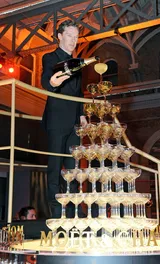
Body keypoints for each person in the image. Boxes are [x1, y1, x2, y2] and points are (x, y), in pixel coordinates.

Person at [41, 19, 87, 218]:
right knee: (54, 168)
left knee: (73, 169)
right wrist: (51, 82)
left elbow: (78, 92)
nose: (73, 40)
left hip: (74, 122)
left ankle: (74, 211)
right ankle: (55, 211)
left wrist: (82, 113)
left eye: (76, 37)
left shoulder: (78, 63)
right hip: (57, 119)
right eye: (69, 35)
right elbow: (47, 77)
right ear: (59, 36)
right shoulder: (50, 57)